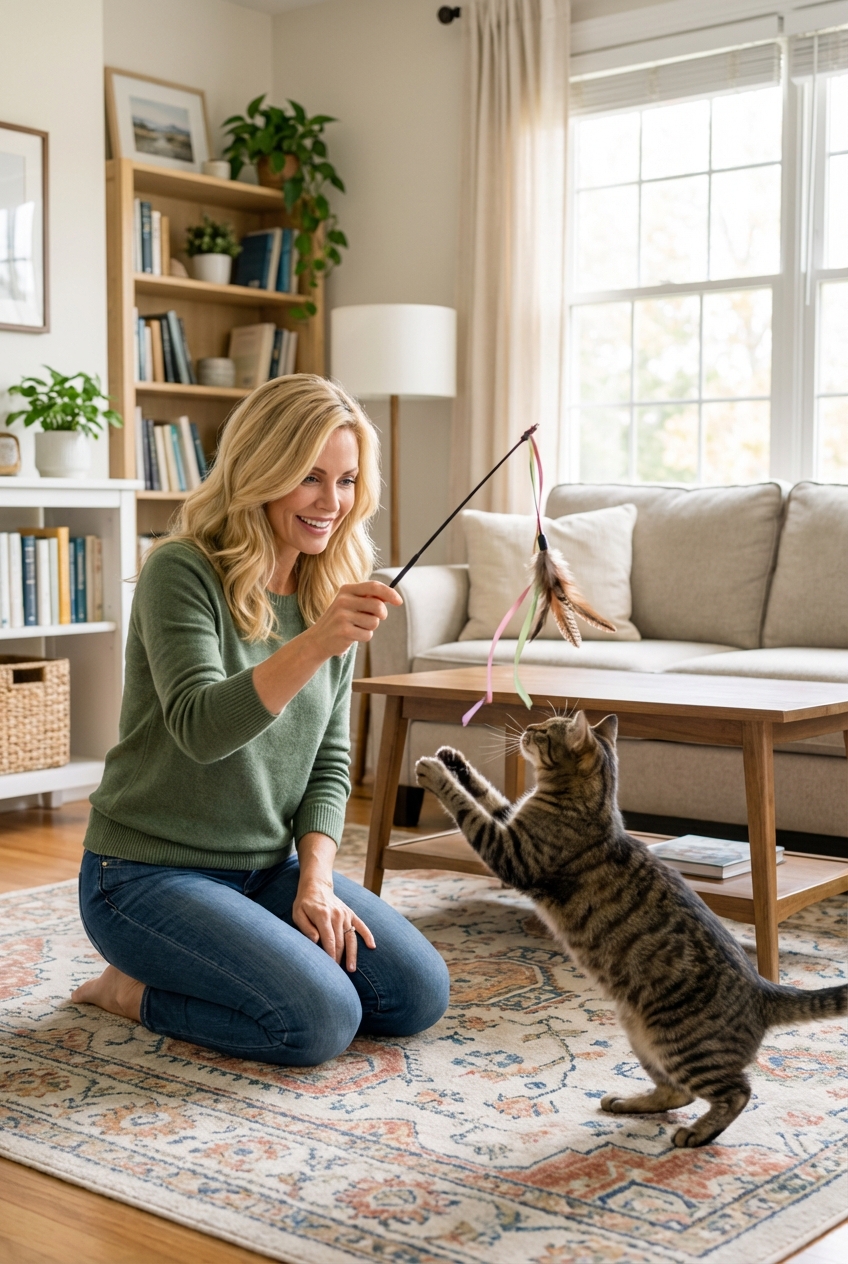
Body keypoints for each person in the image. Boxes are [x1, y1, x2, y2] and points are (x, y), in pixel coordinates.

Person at [72, 375, 450, 1065]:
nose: (330, 503)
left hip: (266, 869)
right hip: (144, 875)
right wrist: (316, 643)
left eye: (346, 480)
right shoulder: (180, 570)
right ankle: (130, 992)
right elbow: (200, 728)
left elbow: (331, 764)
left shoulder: (329, 588)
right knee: (318, 1021)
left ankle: (250, 946)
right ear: (262, 468)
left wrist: (315, 881)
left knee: (415, 994)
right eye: (310, 477)